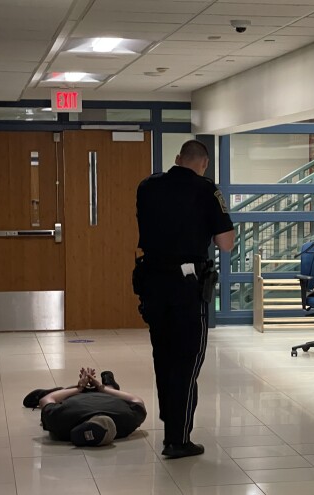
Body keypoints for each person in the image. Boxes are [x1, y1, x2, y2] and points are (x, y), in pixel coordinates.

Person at [133, 140, 235, 459]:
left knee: (163, 357)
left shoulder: (147, 186)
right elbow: (226, 242)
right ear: (203, 164)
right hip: (185, 284)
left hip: (151, 281)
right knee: (188, 361)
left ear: (177, 159)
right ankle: (178, 439)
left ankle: (170, 429)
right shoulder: (206, 189)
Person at [30, 368, 147, 447]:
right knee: (110, 390)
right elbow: (47, 400)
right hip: (79, 396)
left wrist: (81, 387)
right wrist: (96, 388)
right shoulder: (63, 424)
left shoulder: (126, 423)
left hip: (89, 394)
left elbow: (136, 401)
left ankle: (108, 386)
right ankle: (108, 386)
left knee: (112, 391)